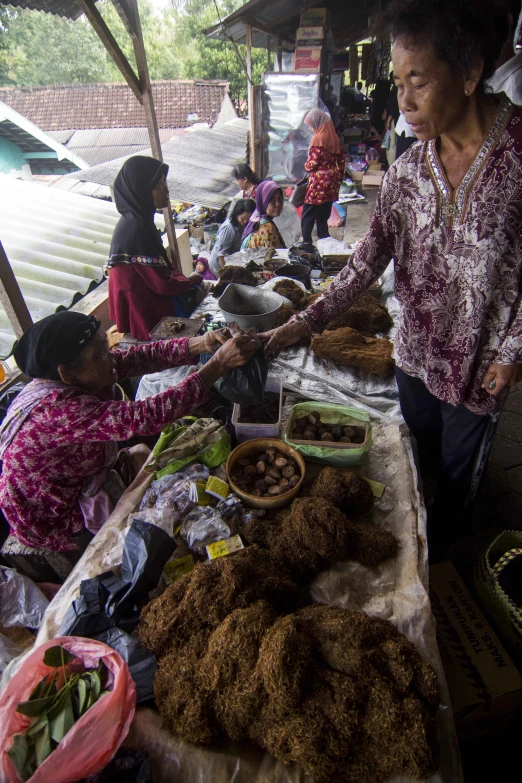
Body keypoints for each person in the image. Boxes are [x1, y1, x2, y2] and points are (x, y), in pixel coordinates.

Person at [260, 0, 522, 560]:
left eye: (419, 82)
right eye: (398, 82)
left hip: (480, 367)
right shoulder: (405, 172)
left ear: (471, 72)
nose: (403, 101)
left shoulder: (518, 155)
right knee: (415, 466)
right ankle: (417, 553)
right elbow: (365, 262)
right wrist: (302, 321)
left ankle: (444, 568)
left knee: (454, 486)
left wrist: (514, 350)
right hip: (414, 357)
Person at [0, 312, 258, 555]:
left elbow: (139, 357)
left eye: (106, 345)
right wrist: (219, 363)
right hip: (54, 513)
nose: (112, 357)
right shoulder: (57, 411)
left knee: (143, 458)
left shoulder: (86, 372)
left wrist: (202, 343)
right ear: (66, 374)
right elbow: (146, 416)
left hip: (86, 472)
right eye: (100, 353)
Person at [107, 156, 204, 341]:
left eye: (164, 183)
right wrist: (189, 282)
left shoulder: (138, 220)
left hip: (145, 293)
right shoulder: (137, 228)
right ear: (141, 190)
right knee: (196, 297)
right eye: (159, 186)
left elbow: (162, 270)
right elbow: (161, 284)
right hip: (142, 305)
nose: (166, 190)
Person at [300, 109, 345, 245]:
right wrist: (338, 178)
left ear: (317, 122)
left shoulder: (317, 138)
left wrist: (305, 166)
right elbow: (342, 160)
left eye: (310, 124)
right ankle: (324, 239)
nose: (310, 127)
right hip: (332, 182)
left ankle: (306, 242)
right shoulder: (335, 138)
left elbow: (313, 163)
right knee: (323, 213)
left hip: (318, 182)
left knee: (308, 213)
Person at [210, 198, 255, 277]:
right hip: (221, 264)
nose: (245, 222)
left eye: (248, 219)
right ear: (236, 214)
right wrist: (226, 274)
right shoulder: (228, 228)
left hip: (233, 258)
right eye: (243, 218)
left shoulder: (243, 224)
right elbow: (222, 255)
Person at [240, 181, 285, 250]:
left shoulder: (255, 218)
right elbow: (273, 258)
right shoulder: (267, 228)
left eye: (279, 199)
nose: (277, 204)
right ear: (263, 202)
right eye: (272, 200)